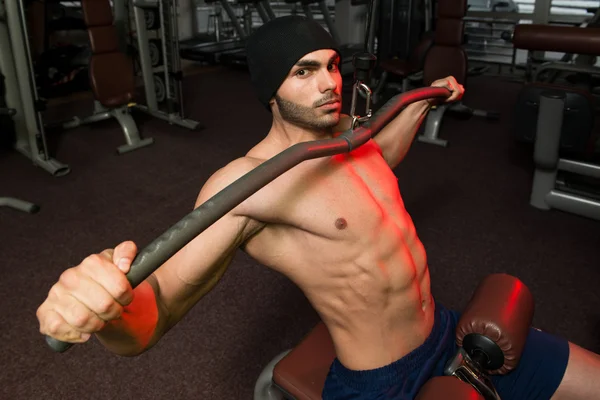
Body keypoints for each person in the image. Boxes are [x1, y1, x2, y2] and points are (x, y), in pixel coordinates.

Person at [36, 15, 599, 400]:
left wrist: (425, 99)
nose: (329, 82)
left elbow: (386, 157)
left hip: (446, 328)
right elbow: (154, 312)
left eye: (332, 64)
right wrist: (106, 309)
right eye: (303, 71)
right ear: (271, 89)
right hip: (381, 380)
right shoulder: (249, 183)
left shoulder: (352, 134)